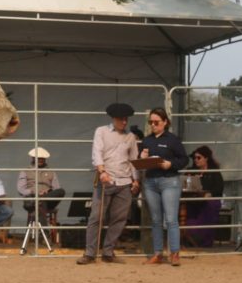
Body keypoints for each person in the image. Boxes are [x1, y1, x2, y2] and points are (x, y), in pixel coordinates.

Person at [76, 103, 140, 265]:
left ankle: (108, 251)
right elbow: (96, 152)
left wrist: (136, 179)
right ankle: (90, 253)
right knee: (96, 217)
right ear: (113, 119)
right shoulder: (101, 131)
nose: (124, 122)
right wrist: (102, 171)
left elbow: (134, 160)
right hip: (106, 180)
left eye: (126, 119)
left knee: (119, 219)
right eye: (121, 119)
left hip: (124, 182)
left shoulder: (131, 137)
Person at [139, 108, 189, 266]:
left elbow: (184, 159)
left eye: (156, 122)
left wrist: (171, 164)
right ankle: (158, 253)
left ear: (165, 122)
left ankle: (174, 253)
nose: (153, 125)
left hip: (169, 181)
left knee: (171, 219)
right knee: (155, 220)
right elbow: (140, 162)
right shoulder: (146, 140)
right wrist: (142, 157)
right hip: (151, 182)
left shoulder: (173, 140)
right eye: (151, 122)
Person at [184, 146, 224, 247]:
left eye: (199, 157)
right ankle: (191, 237)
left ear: (206, 158)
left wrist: (210, 193)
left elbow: (219, 188)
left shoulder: (214, 172)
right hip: (194, 200)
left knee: (211, 205)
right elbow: (184, 184)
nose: (195, 160)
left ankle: (203, 240)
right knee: (187, 206)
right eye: (194, 158)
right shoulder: (191, 171)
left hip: (208, 200)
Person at [17, 147, 66, 225]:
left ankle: (41, 199)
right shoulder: (25, 171)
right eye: (38, 158)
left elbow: (57, 188)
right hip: (32, 200)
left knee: (61, 191)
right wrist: (34, 192)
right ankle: (44, 232)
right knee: (40, 204)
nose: (40, 160)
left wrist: (48, 191)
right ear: (33, 158)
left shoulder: (51, 172)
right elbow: (21, 189)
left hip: (48, 199)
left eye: (42, 158)